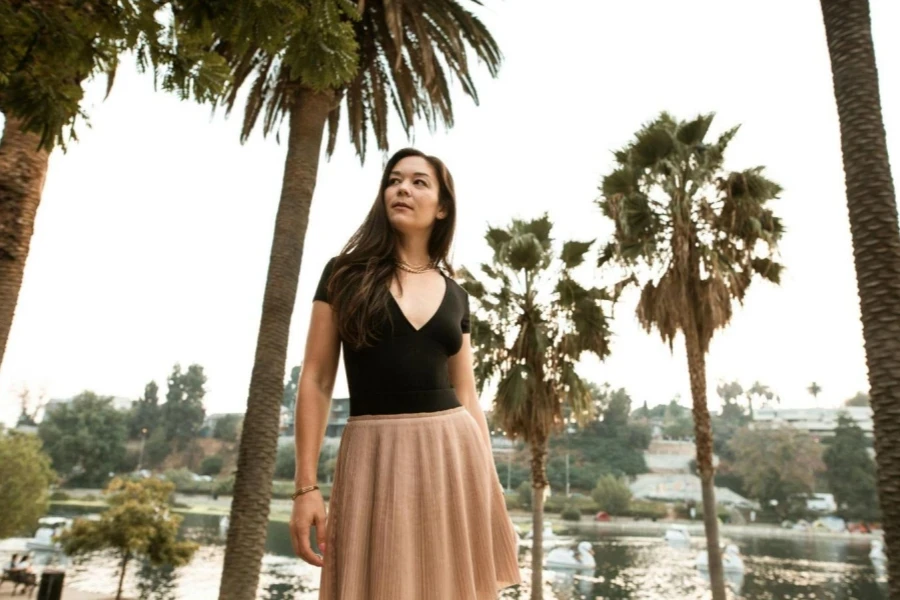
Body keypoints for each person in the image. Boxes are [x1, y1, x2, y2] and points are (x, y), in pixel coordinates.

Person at [290, 148, 522, 600]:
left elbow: (467, 394)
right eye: (394, 180)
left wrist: (493, 496)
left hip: (454, 456)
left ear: (442, 208)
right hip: (373, 455)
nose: (402, 188)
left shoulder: (457, 295)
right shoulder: (343, 275)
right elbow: (316, 379)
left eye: (419, 182)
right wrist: (306, 488)